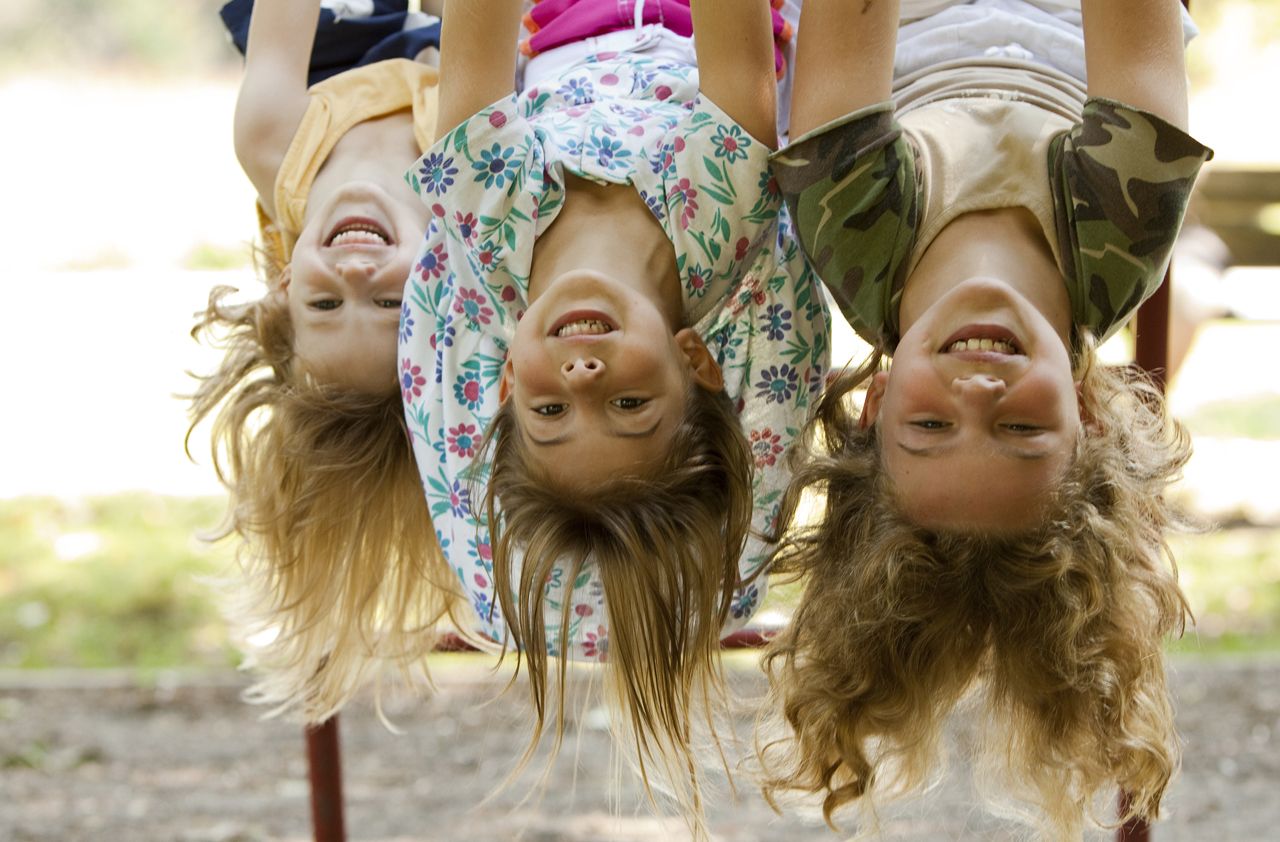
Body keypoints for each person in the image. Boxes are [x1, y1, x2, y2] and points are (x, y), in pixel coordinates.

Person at [757, 0, 1212, 835]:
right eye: (1021, 432)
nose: (977, 396)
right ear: (1087, 414)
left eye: (930, 429)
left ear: (876, 404)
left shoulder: (856, 235)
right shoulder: (1117, 237)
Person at [398, 0, 828, 821]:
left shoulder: (484, 221)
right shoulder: (728, 211)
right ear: (697, 364)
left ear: (505, 386)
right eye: (629, 405)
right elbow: (735, 41)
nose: (584, 374)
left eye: (551, 409)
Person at [187, 0, 462, 723]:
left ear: (283, 288)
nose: (356, 275)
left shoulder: (276, 141)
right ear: (441, 276)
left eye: (324, 306)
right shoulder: (468, 173)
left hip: (327, 44)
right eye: (392, 303)